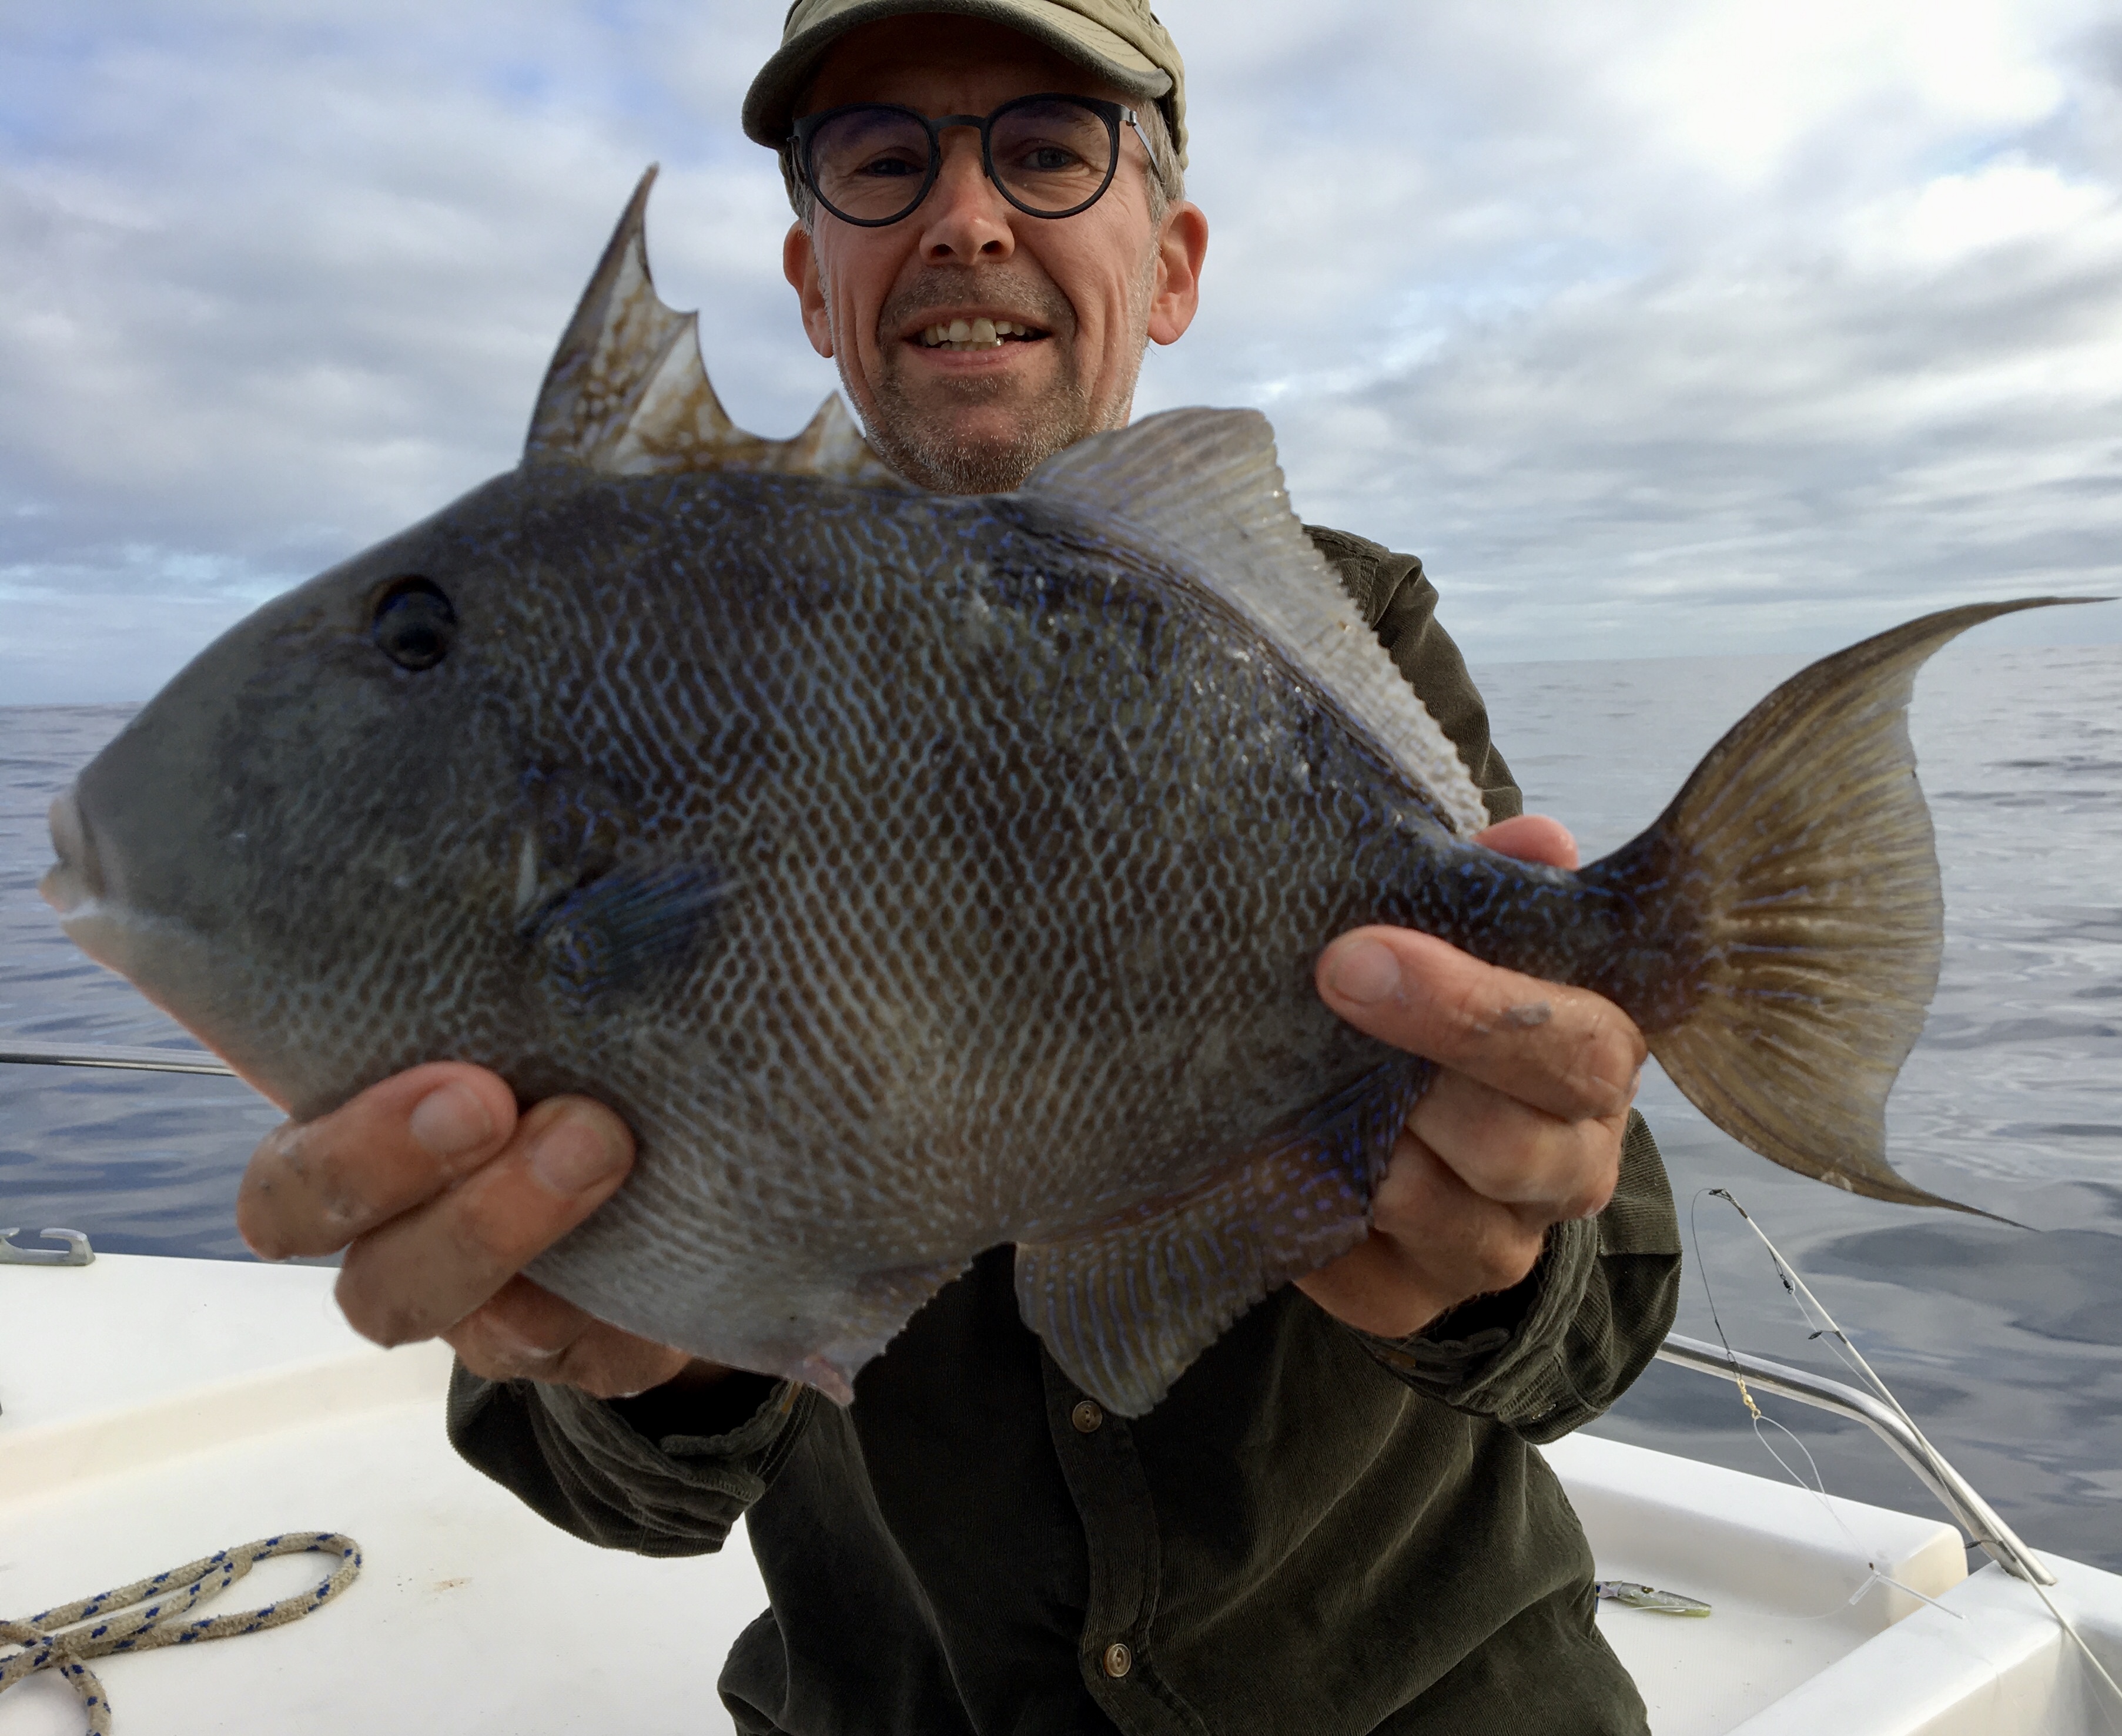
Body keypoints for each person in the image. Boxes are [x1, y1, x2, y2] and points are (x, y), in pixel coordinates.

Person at [236, 2, 1682, 1730]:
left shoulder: (1338, 645)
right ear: (811, 280)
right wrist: (662, 1334)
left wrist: (1501, 1249)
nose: (967, 217)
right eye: (881, 159)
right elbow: (619, 1491)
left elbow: (1598, 1320)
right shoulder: (647, 687)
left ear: (1169, 265)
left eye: (1050, 147)